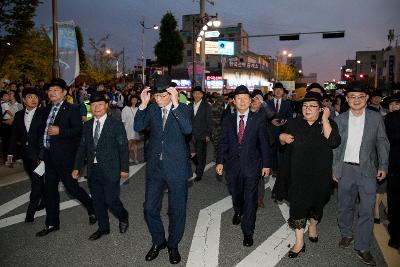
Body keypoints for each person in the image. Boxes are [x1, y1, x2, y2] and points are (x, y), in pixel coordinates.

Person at [274, 91, 341, 258]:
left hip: (320, 175)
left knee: (317, 205)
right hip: (297, 175)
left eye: (313, 106)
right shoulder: (294, 123)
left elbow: (333, 142)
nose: (308, 109)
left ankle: (313, 225)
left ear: (321, 109)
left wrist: (325, 119)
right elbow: (282, 143)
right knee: (297, 207)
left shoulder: (329, 123)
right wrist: (281, 137)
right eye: (305, 105)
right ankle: (299, 241)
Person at [134, 78, 192, 265]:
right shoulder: (151, 109)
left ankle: (173, 244)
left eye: (162, 95)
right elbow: (138, 127)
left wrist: (176, 103)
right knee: (149, 208)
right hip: (155, 167)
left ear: (172, 93)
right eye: (156, 96)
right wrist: (143, 104)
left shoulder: (183, 108)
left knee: (177, 210)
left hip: (176, 167)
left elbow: (187, 129)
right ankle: (159, 241)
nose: (158, 99)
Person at [333, 81, 390, 266]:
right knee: (345, 205)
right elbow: (334, 148)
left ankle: (363, 246)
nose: (356, 100)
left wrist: (383, 165)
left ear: (366, 99)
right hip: (346, 169)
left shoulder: (376, 118)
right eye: (352, 97)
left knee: (367, 209)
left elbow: (382, 142)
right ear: (347, 99)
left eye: (360, 97)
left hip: (367, 170)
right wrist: (335, 168)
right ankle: (346, 233)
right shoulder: (340, 119)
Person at [36, 78, 96, 237]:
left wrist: (60, 131)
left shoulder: (72, 109)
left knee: (72, 189)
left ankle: (92, 208)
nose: (52, 93)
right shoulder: (45, 109)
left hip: (66, 158)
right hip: (48, 157)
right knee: (49, 191)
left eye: (56, 90)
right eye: (50, 90)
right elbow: (41, 133)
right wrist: (40, 153)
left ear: (64, 92)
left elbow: (78, 131)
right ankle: (51, 223)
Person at [216, 85, 271, 247]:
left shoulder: (258, 119)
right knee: (235, 193)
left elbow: (264, 144)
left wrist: (266, 164)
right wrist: (220, 161)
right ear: (233, 101)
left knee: (250, 198)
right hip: (233, 166)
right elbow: (223, 142)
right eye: (239, 98)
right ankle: (238, 210)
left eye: (245, 98)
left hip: (252, 166)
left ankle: (248, 231)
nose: (242, 101)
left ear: (250, 100)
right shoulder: (227, 119)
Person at [72, 91, 129, 241]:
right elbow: (82, 148)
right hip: (93, 169)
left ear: (106, 106)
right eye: (93, 105)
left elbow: (123, 147)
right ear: (90, 107)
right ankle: (103, 228)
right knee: (97, 201)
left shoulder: (115, 125)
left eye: (100, 104)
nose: (96, 107)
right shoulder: (87, 125)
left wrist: (124, 169)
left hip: (111, 168)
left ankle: (123, 216)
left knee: (111, 200)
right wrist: (77, 167)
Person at [7, 88, 46, 222]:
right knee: (37, 180)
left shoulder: (44, 113)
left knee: (36, 182)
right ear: (23, 100)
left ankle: (31, 211)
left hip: (39, 155)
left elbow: (46, 136)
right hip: (25, 155)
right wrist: (11, 153)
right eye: (30, 97)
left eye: (36, 97)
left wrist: (42, 156)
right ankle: (45, 199)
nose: (34, 99)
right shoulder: (18, 115)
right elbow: (14, 136)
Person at [382, 93, 400, 249]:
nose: (394, 107)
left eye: (397, 104)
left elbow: (384, 142)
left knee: (394, 201)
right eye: (392, 104)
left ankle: (395, 236)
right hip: (393, 165)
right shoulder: (389, 119)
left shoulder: (389, 119)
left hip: (394, 165)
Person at [266, 82, 293, 175]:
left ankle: (281, 169)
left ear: (283, 92)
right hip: (271, 131)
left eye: (280, 90)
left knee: (281, 151)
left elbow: (290, 117)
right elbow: (263, 117)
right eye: (276, 89)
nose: (278, 91)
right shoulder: (267, 103)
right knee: (272, 150)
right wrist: (271, 121)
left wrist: (284, 121)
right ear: (273, 91)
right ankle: (274, 169)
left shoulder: (287, 104)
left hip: (283, 131)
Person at [189, 86, 212, 182]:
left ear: (202, 95)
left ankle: (199, 173)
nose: (196, 95)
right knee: (191, 153)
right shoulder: (189, 105)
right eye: (195, 93)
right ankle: (199, 167)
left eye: (198, 93)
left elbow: (209, 121)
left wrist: (208, 134)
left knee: (201, 154)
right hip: (190, 134)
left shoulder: (206, 106)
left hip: (202, 134)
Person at [121, 95, 141, 163]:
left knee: (135, 143)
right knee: (129, 144)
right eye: (133, 99)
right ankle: (128, 157)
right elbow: (123, 121)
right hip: (127, 129)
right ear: (130, 100)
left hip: (135, 128)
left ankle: (135, 158)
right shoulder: (126, 109)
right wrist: (123, 131)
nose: (134, 101)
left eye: (136, 99)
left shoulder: (138, 109)